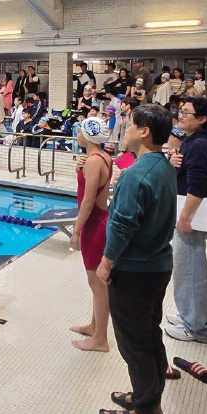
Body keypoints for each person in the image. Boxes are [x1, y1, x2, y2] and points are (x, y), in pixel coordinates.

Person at [96, 103, 176, 414]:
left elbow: (124, 225)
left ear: (144, 132)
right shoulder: (164, 166)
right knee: (149, 334)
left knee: (134, 344)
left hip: (135, 270)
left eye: (129, 124)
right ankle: (151, 402)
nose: (124, 129)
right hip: (158, 265)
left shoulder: (136, 174)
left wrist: (106, 261)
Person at [165, 97, 207, 343]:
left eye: (186, 112)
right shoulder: (194, 142)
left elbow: (198, 186)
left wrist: (185, 217)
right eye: (180, 111)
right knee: (184, 269)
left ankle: (197, 328)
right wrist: (175, 162)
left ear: (202, 119)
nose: (180, 115)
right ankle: (190, 315)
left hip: (191, 217)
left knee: (189, 271)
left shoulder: (200, 145)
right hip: (188, 214)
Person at [69, 117, 113, 352]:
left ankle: (100, 339)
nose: (77, 134)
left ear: (88, 135)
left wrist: (76, 231)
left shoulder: (94, 162)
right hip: (99, 220)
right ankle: (94, 325)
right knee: (96, 283)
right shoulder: (101, 158)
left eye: (79, 131)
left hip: (94, 224)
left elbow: (87, 201)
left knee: (97, 284)